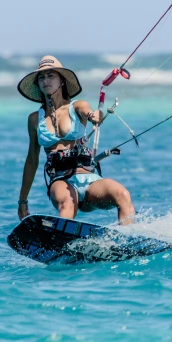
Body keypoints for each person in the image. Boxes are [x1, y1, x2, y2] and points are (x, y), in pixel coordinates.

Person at [17, 55, 136, 224]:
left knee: (122, 194)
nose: (46, 81)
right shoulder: (34, 119)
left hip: (89, 180)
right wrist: (23, 200)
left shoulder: (77, 106)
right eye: (41, 77)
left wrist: (94, 116)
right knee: (67, 202)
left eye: (51, 76)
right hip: (60, 181)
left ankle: (129, 241)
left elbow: (89, 112)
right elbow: (31, 160)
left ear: (62, 81)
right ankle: (61, 242)